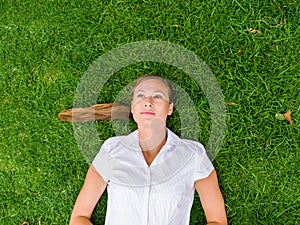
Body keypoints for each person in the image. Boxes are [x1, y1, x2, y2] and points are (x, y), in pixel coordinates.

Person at [67, 74, 227, 225]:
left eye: (158, 96)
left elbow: (217, 220)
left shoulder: (192, 154)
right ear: (132, 108)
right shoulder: (112, 149)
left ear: (170, 108)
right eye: (141, 96)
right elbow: (79, 216)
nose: (148, 101)